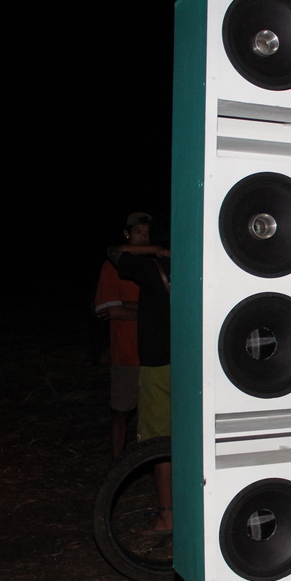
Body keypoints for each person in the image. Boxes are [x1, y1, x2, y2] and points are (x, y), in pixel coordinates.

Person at [109, 222, 172, 533]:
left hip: (159, 366)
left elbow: (115, 252)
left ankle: (167, 514)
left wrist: (154, 251)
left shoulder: (151, 269)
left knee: (160, 443)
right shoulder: (201, 268)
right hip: (195, 367)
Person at [95, 212, 150, 458]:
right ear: (127, 234)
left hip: (154, 354)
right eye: (138, 232)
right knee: (121, 411)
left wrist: (128, 307)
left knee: (152, 414)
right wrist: (150, 310)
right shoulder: (112, 267)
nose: (143, 237)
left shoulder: (154, 265)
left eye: (147, 233)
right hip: (126, 353)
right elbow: (110, 310)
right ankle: (116, 463)